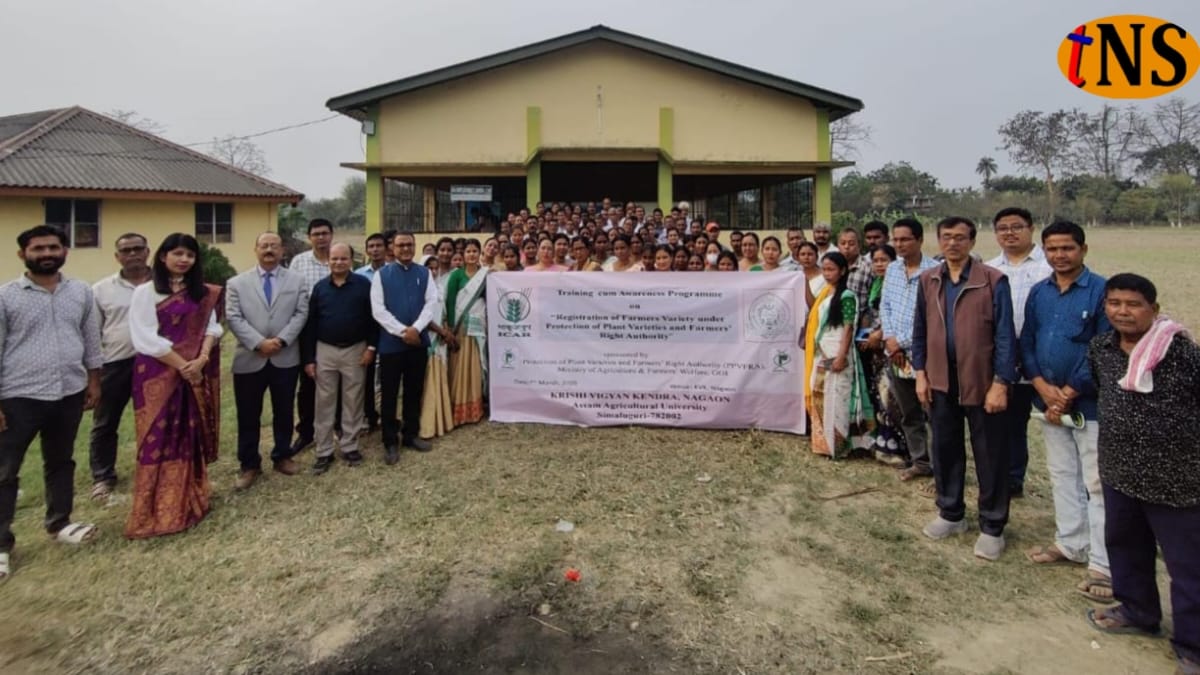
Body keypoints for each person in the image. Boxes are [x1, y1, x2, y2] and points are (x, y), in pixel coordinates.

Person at [1085, 274, 1200, 674]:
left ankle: (1193, 645)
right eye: (1114, 303)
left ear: (1154, 308)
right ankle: (1137, 611)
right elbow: (1103, 391)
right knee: (1125, 546)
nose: (1123, 311)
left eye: (1133, 304)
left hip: (1175, 476)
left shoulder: (1181, 353)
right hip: (1119, 468)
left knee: (1187, 564)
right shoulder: (1101, 348)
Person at [0, 225, 102, 580]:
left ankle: (60, 523)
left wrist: (93, 380)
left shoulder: (81, 291)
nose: (46, 253)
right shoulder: (6, 296)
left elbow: (91, 338)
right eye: (38, 248)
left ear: (64, 252)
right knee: (5, 470)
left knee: (60, 461)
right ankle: (1, 545)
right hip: (19, 395)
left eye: (53, 247)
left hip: (69, 391)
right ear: (23, 254)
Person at [912, 216, 1017, 561]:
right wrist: (921, 373)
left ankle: (992, 526)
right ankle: (951, 512)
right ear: (938, 240)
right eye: (946, 237)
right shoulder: (929, 280)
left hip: (982, 381)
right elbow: (920, 331)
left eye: (960, 237)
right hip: (940, 379)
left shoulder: (992, 280)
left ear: (972, 241)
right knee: (944, 448)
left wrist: (1001, 382)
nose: (952, 243)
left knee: (990, 454)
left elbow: (1005, 336)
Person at [1018, 221, 1111, 601]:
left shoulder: (1102, 291)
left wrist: (1070, 391)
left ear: (1083, 250)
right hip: (1048, 401)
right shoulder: (1040, 292)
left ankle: (1103, 563)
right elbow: (1028, 341)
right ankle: (1070, 542)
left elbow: (1104, 347)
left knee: (1097, 482)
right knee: (1061, 473)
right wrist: (1041, 386)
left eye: (1067, 248)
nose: (1060, 255)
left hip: (1089, 404)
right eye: (1052, 249)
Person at [125, 233, 223, 538]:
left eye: (190, 255)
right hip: (158, 375)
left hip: (195, 370)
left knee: (189, 435)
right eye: (178, 253)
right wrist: (183, 366)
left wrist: (201, 360)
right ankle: (155, 510)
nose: (184, 260)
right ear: (163, 256)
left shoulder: (202, 292)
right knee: (158, 438)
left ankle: (192, 497)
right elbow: (145, 337)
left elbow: (213, 328)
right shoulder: (146, 292)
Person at [226, 232, 311, 490]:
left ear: (282, 250)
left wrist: (281, 341)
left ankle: (282, 455)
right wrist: (259, 343)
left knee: (283, 410)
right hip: (250, 358)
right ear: (256, 249)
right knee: (248, 414)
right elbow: (233, 317)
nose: (269, 250)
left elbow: (301, 313)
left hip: (285, 357)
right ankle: (249, 463)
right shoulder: (237, 283)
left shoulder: (297, 280)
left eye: (274, 245)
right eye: (264, 245)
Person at [987, 207, 1052, 498]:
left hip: (1041, 358)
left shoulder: (1050, 266)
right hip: (1003, 357)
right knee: (1009, 422)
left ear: (1031, 228)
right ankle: (1012, 478)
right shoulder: (989, 269)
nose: (1009, 233)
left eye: (1016, 227)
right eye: (1003, 228)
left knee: (1056, 423)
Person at [302, 243, 378, 475]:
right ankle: (324, 450)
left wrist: (371, 347)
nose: (338, 263)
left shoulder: (363, 285)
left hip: (356, 350)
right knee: (324, 401)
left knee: (353, 399)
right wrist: (309, 359)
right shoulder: (320, 288)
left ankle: (349, 445)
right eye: (334, 259)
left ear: (351, 260)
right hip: (325, 350)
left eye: (343, 259)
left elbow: (373, 319)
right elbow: (311, 324)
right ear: (328, 261)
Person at [88, 232, 151, 502]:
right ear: (117, 256)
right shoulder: (101, 290)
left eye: (138, 248)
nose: (133, 254)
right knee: (105, 422)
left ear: (147, 252)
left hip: (156, 362)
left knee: (155, 418)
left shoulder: (165, 283)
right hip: (116, 363)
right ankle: (103, 476)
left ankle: (154, 467)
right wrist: (92, 373)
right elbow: (92, 333)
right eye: (126, 250)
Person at [880, 218, 939, 485]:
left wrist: (900, 342)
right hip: (895, 355)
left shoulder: (935, 271)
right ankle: (920, 462)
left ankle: (941, 467)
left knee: (934, 413)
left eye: (905, 239)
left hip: (924, 354)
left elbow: (933, 317)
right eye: (896, 239)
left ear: (920, 240)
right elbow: (885, 306)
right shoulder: (893, 269)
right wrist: (890, 339)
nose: (899, 244)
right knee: (908, 412)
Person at [371, 231, 439, 463]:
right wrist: (403, 331)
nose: (406, 249)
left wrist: (416, 329)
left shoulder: (424, 273)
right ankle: (390, 441)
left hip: (417, 343)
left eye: (409, 244)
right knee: (389, 394)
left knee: (414, 390)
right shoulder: (382, 275)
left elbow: (431, 303)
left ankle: (411, 434)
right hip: (391, 345)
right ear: (393, 248)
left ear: (414, 246)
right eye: (401, 245)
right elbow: (378, 310)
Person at [803, 252, 873, 458]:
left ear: (842, 271)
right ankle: (823, 443)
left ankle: (839, 446)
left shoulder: (847, 296)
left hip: (838, 354)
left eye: (831, 269)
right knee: (819, 394)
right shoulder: (826, 293)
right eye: (824, 269)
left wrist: (841, 356)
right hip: (821, 352)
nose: (827, 273)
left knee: (837, 399)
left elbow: (849, 328)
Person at [859, 244, 908, 468]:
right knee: (880, 397)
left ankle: (899, 448)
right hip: (875, 352)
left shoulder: (899, 285)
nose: (879, 265)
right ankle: (883, 446)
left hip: (894, 349)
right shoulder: (876, 284)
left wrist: (879, 334)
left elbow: (897, 316)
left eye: (884, 260)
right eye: (875, 261)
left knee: (892, 398)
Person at [288, 219, 334, 456]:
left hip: (334, 329)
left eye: (325, 233)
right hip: (306, 329)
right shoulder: (299, 262)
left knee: (334, 380)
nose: (321, 238)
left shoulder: (339, 259)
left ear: (332, 235)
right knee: (307, 382)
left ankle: (336, 427)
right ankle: (306, 432)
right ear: (309, 237)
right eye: (316, 234)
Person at [445, 239, 489, 426]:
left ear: (480, 253)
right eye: (468, 251)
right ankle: (458, 406)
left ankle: (475, 408)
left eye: (474, 251)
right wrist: (450, 328)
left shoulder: (485, 274)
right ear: (463, 254)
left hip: (478, 325)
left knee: (475, 363)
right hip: (460, 328)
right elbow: (450, 301)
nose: (471, 254)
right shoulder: (456, 275)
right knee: (459, 364)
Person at [418, 254, 456, 441]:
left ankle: (442, 420)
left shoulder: (440, 287)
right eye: (429, 268)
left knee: (440, 376)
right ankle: (427, 424)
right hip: (428, 337)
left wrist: (446, 330)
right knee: (429, 379)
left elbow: (444, 311)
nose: (433, 272)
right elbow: (423, 317)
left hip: (441, 337)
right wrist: (441, 332)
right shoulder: (419, 288)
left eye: (435, 268)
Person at [355, 232, 390, 433]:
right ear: (367, 250)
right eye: (371, 246)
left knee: (388, 375)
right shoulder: (359, 275)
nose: (375, 250)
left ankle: (388, 416)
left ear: (386, 248)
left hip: (389, 329)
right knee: (366, 376)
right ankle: (369, 415)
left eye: (379, 246)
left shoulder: (393, 272)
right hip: (367, 330)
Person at [838, 227, 873, 318]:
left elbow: (874, 298)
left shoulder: (868, 268)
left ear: (859, 245)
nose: (846, 247)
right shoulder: (833, 266)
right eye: (843, 243)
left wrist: (867, 316)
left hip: (859, 319)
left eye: (851, 244)